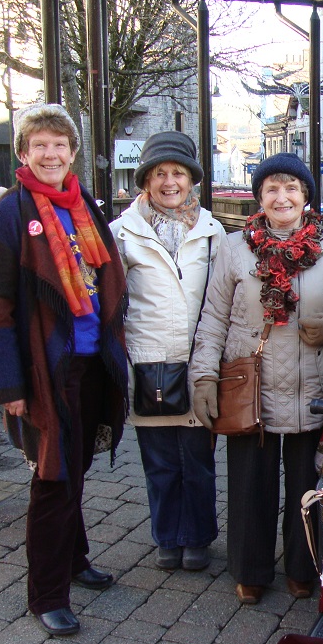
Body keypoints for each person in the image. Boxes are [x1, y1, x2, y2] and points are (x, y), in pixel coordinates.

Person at [0, 103, 129, 637]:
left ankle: (74, 558)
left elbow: (105, 276)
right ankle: (46, 593)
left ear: (72, 153)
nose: (49, 153)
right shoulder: (7, 217)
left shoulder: (82, 205)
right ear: (23, 153)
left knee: (76, 467)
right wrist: (7, 385)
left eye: (59, 145)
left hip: (89, 364)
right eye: (39, 144)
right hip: (44, 371)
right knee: (53, 477)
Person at [190, 153, 323, 605]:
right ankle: (250, 569)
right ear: (260, 198)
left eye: (292, 188)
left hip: (315, 388)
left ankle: (303, 565)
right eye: (272, 189)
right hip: (251, 387)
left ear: (307, 197)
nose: (282, 196)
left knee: (308, 484)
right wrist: (204, 376)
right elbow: (213, 317)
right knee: (251, 485)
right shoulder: (234, 248)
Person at [110, 131, 226, 572]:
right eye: (160, 173)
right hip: (147, 362)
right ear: (146, 180)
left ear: (192, 179)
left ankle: (196, 536)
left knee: (197, 460)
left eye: (178, 172)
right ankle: (167, 536)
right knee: (159, 461)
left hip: (196, 362)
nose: (169, 182)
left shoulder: (213, 231)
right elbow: (111, 302)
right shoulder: (121, 233)